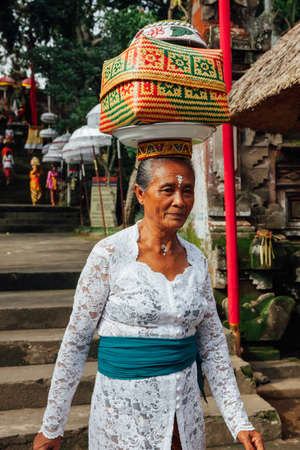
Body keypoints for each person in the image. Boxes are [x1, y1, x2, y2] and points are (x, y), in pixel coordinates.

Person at [33, 140, 264, 450]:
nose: (180, 201)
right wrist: (52, 426)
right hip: (123, 416)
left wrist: (239, 422)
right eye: (167, 190)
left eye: (188, 190)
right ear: (141, 194)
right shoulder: (109, 255)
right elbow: (75, 343)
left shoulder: (196, 260)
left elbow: (211, 345)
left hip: (185, 418)